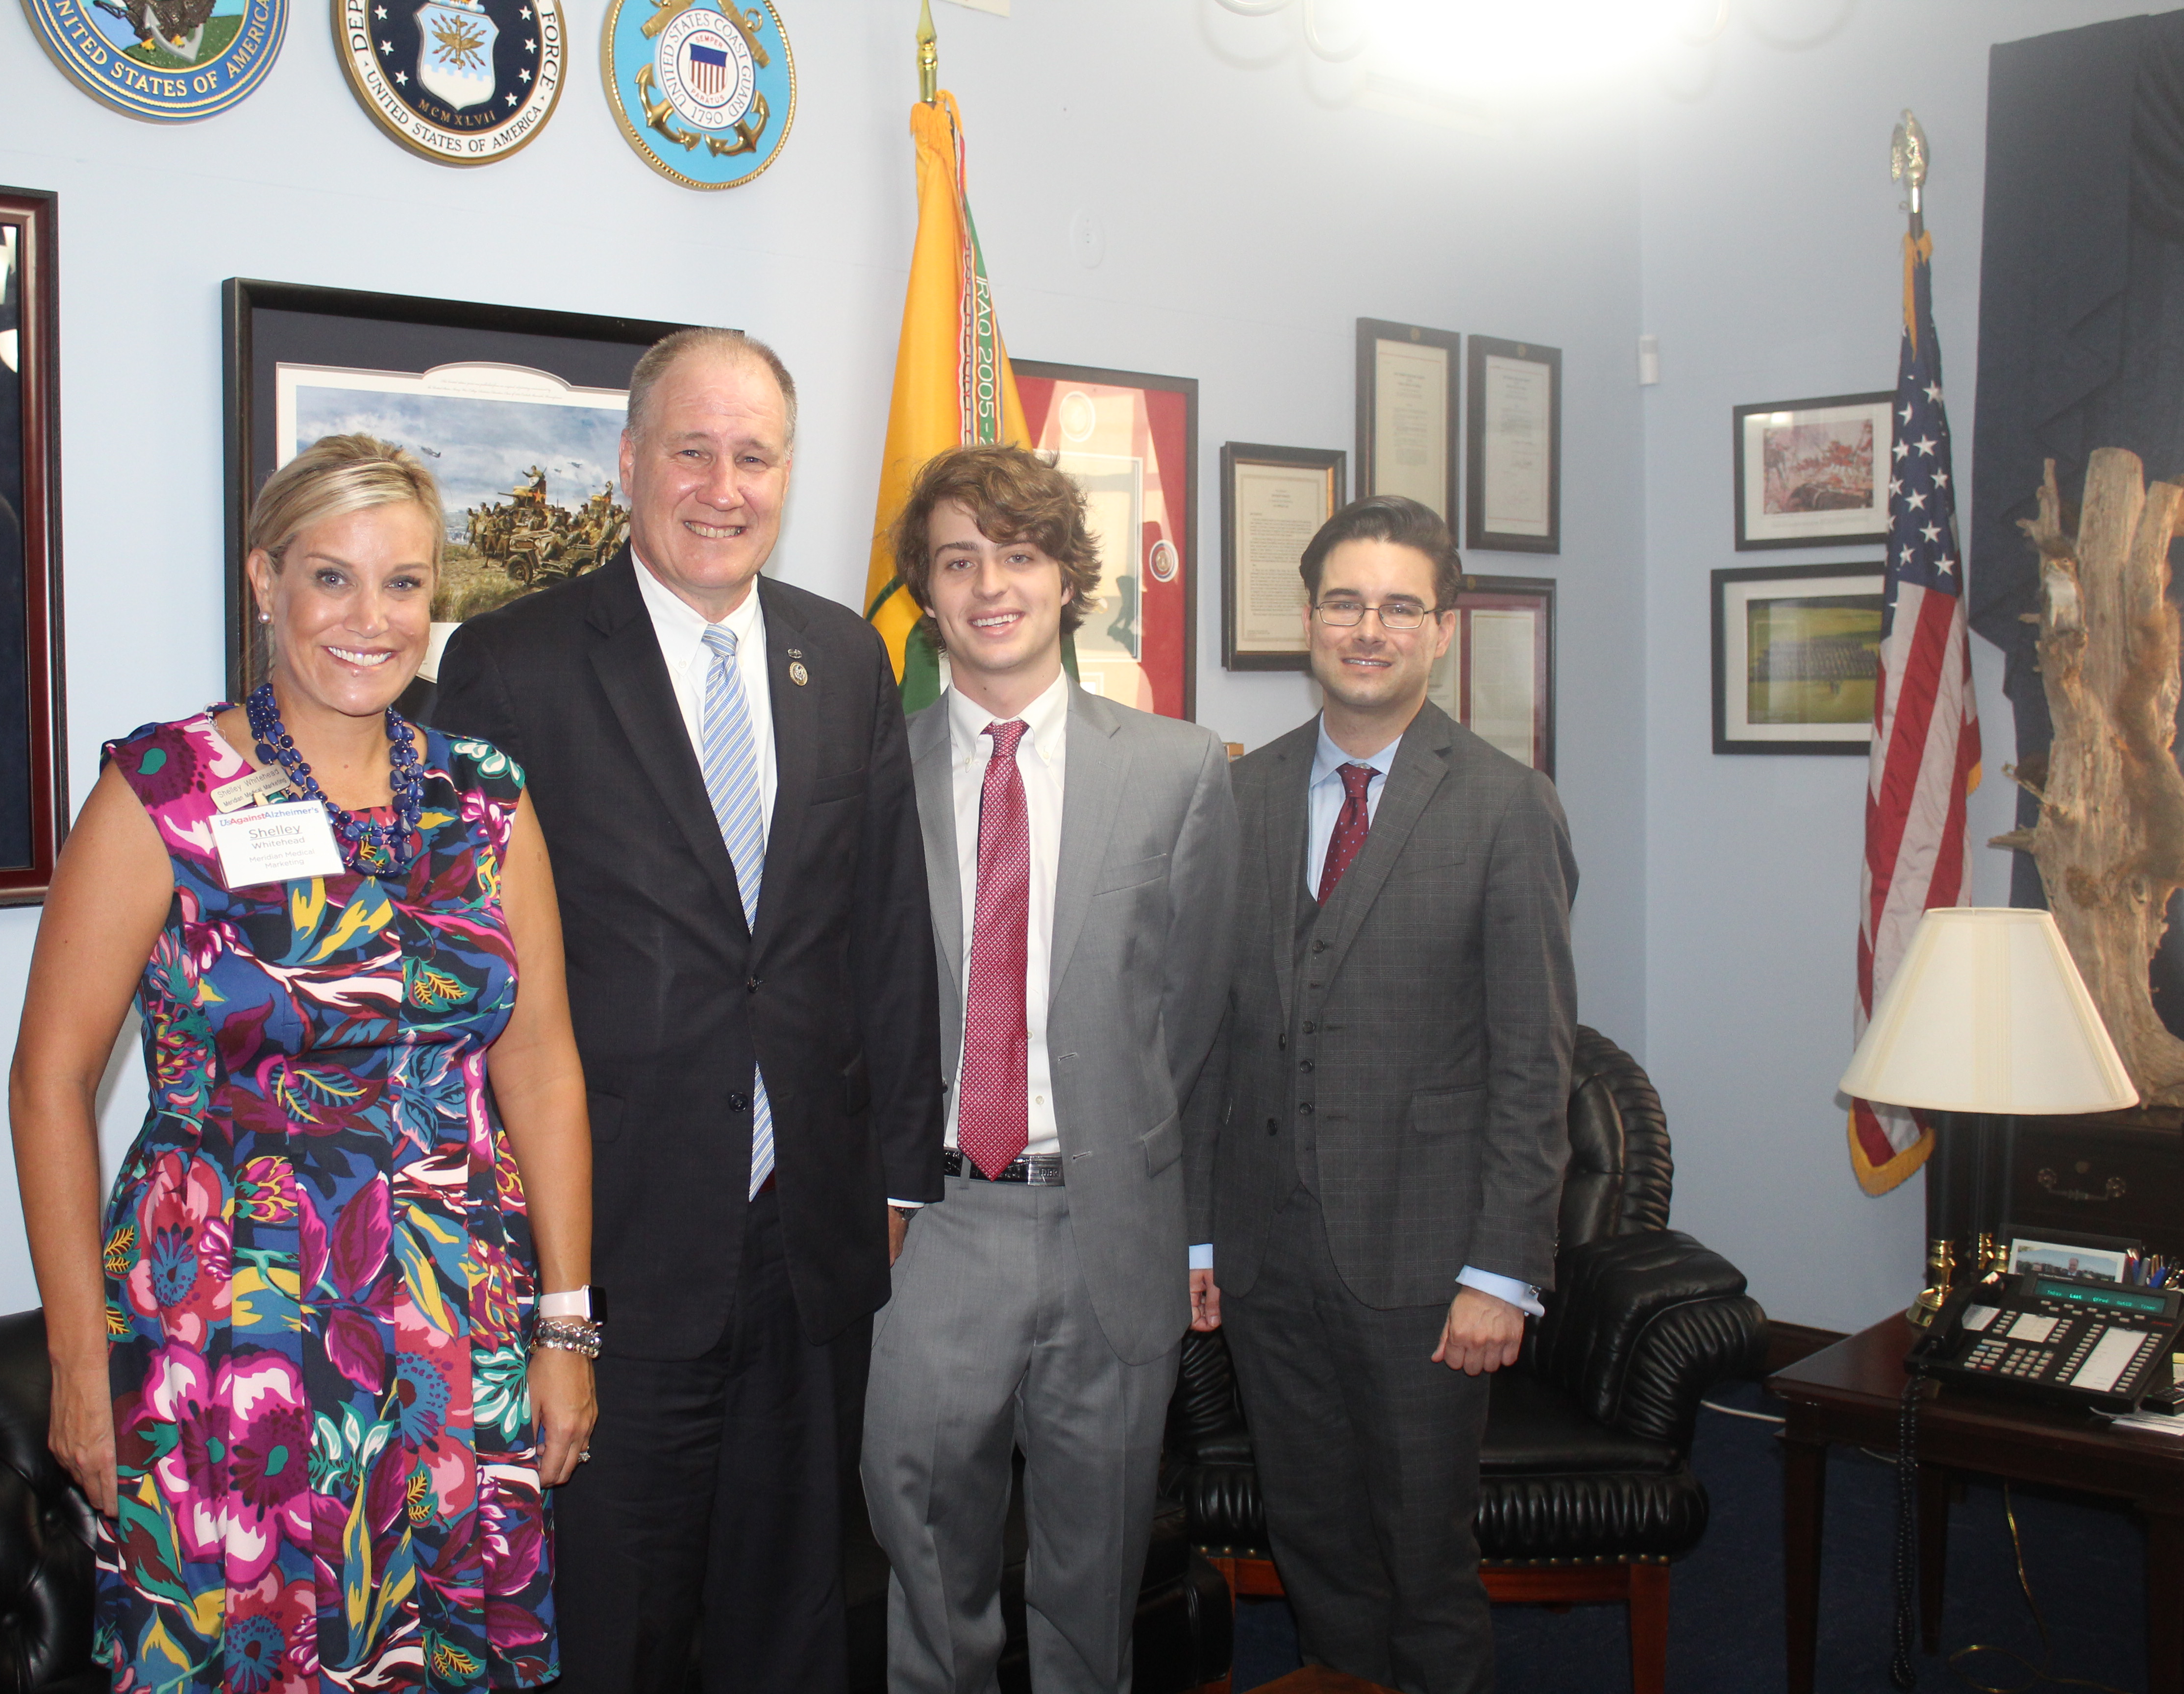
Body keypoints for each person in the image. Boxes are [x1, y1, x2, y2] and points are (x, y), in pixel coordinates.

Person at [7, 434, 597, 1691]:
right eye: (332, 577)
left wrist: (567, 1323)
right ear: (265, 581)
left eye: (404, 583)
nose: (370, 618)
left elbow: (541, 1063)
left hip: (457, 1328)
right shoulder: (164, 791)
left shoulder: (485, 798)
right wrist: (77, 1359)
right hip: (230, 1336)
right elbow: (49, 1080)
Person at [431, 328, 941, 1694]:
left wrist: (897, 1176)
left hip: (806, 1239)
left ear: (788, 473)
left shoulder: (844, 656)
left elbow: (886, 931)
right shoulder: (511, 663)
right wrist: (524, 1255)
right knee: (618, 1628)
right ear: (629, 462)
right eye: (693, 451)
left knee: (795, 1623)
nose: (724, 487)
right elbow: (469, 974)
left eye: (754, 456)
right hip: (615, 1238)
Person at [862, 444, 1237, 1694]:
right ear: (925, 593)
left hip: (1109, 1227)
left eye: (1017, 555)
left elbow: (1194, 1022)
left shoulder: (1179, 769)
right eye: (957, 561)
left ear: (1067, 578)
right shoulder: (872, 771)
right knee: (926, 1562)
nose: (990, 587)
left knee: (1096, 1580)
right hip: (936, 1228)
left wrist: (1190, 1230)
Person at [1187, 495, 1576, 1694]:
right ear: (1308, 618)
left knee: (1422, 1561)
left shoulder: (1505, 805)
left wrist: (1501, 1272)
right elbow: (1210, 1039)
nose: (1369, 629)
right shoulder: (1240, 796)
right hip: (1266, 1260)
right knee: (1317, 1546)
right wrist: (1199, 1233)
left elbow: (1533, 1062)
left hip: (1427, 1267)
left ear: (1441, 630)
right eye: (1346, 603)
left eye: (1400, 607)